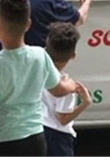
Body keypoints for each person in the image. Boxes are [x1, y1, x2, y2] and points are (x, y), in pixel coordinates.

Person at [0, 0, 77, 156]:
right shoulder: (40, 55)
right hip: (34, 139)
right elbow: (58, 90)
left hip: (0, 143)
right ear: (28, 24)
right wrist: (71, 85)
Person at [42, 22, 93, 156]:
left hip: (36, 131)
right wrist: (85, 103)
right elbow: (62, 119)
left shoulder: (36, 70)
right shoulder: (67, 85)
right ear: (73, 55)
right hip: (58, 138)